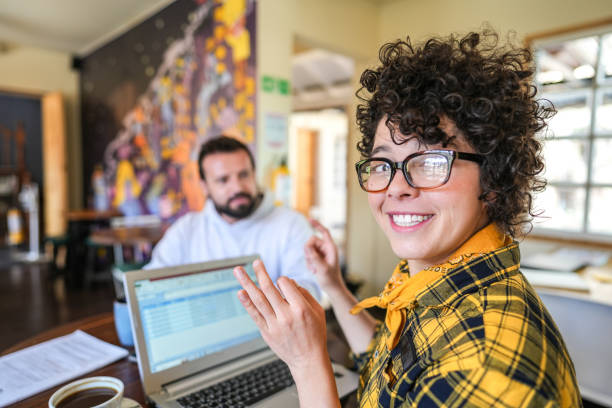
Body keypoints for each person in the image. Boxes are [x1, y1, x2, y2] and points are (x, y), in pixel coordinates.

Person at [233, 29, 581, 407]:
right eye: (383, 163)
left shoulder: (483, 369)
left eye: (431, 161)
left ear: (494, 179)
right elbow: (393, 371)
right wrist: (333, 285)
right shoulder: (436, 278)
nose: (396, 187)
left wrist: (306, 361)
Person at [146, 136, 320, 299]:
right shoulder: (186, 229)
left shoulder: (291, 225)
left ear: (254, 174)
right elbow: (150, 287)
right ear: (204, 186)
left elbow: (309, 292)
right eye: (223, 180)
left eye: (244, 175)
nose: (237, 187)